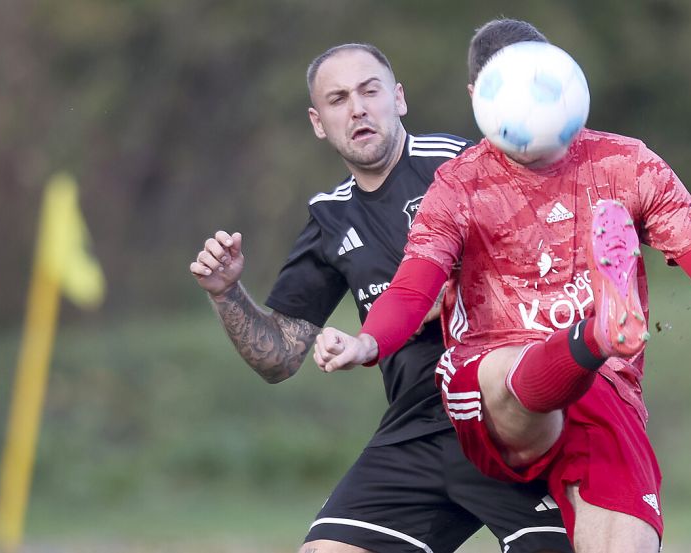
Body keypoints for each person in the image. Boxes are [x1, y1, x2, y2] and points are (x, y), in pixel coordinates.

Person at [312, 20, 691, 553]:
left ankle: (597, 339)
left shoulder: (629, 166)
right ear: (479, 97)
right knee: (505, 376)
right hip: (492, 384)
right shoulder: (459, 184)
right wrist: (366, 343)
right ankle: (593, 336)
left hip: (603, 394)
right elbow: (410, 291)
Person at [190, 42, 573, 553]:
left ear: (399, 99)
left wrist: (450, 292)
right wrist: (227, 293)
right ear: (318, 122)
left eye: (370, 91)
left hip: (506, 418)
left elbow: (550, 258)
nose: (357, 108)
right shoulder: (330, 219)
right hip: (415, 430)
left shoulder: (463, 164)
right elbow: (278, 357)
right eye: (338, 99)